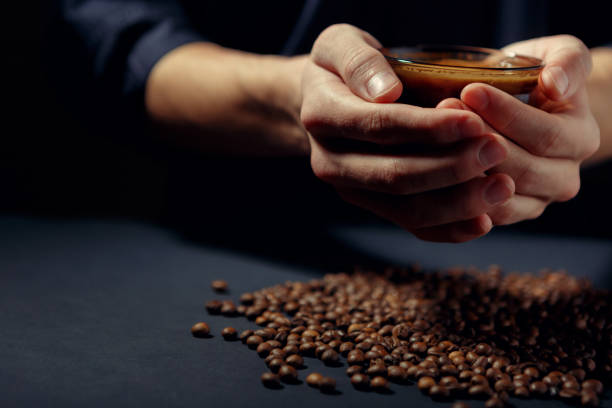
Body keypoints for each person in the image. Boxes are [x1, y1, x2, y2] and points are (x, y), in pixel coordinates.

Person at [52, 0, 612, 242]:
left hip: (556, 259)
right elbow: (120, 42)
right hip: (245, 229)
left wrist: (567, 97)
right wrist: (292, 97)